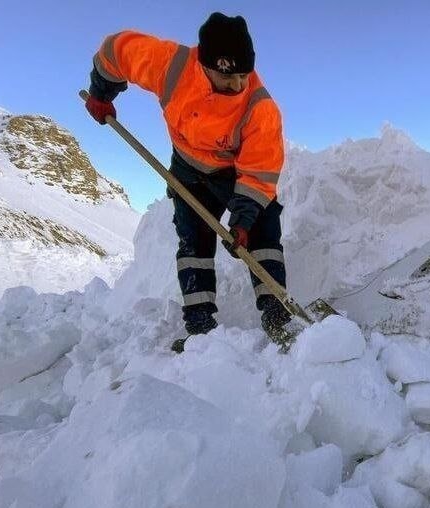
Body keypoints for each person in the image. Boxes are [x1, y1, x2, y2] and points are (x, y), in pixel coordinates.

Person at [85, 12, 291, 352]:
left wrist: (242, 221)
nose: (238, 85)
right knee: (193, 240)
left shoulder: (260, 107)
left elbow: (259, 173)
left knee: (262, 226)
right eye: (229, 78)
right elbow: (117, 49)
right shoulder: (173, 66)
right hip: (187, 168)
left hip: (233, 172)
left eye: (244, 76)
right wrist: (101, 91)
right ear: (206, 65)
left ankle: (278, 315)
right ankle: (200, 328)